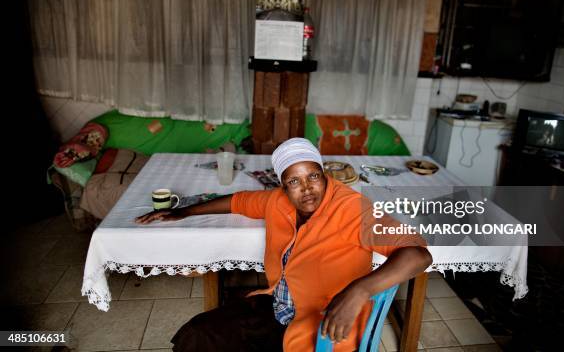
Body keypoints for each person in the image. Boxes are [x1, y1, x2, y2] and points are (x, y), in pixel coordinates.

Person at [135, 138, 432, 352]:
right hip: (278, 307)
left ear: (324, 174)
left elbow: (418, 254)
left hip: (324, 321)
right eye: (294, 181)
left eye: (314, 176)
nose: (307, 188)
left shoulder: (353, 209)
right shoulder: (277, 201)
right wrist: (183, 211)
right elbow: (238, 201)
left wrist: (360, 290)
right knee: (198, 334)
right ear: (283, 184)